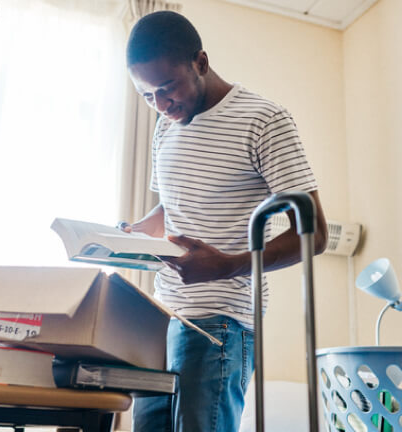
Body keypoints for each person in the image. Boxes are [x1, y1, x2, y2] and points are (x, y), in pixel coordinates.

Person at [121, 10, 329, 432]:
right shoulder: (166, 126)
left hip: (220, 323)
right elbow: (174, 207)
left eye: (167, 88)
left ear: (200, 62)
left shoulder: (263, 120)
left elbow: (316, 234)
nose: (161, 105)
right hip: (163, 317)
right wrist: (132, 233)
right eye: (147, 96)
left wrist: (230, 263)